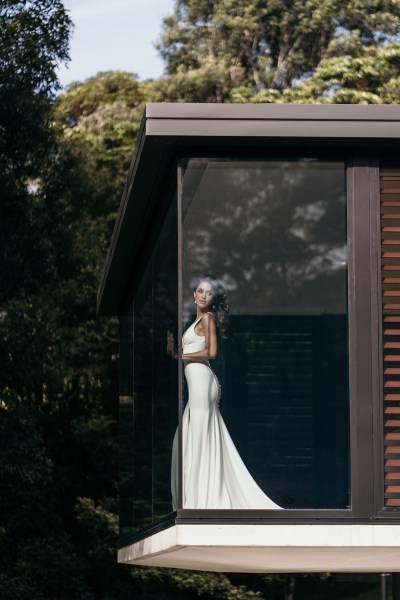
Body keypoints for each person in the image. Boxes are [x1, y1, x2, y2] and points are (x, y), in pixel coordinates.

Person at [168, 277, 282, 510]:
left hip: (202, 380)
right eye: (199, 291)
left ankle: (201, 499)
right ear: (193, 295)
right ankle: (197, 495)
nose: (202, 295)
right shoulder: (197, 319)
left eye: (208, 293)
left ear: (213, 299)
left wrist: (180, 356)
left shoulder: (208, 318)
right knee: (192, 434)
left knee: (200, 433)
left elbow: (211, 352)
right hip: (197, 381)